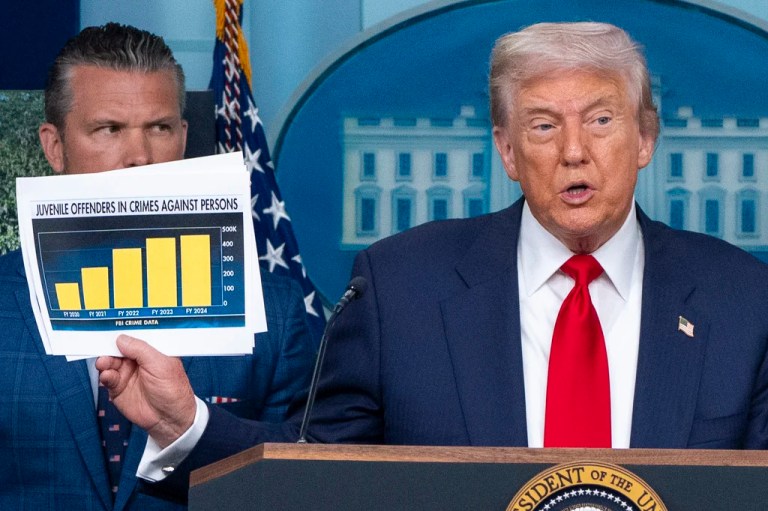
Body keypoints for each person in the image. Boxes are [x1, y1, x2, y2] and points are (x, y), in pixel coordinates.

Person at [97, 21, 768, 499]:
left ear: (645, 137)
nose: (573, 151)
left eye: (601, 120)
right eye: (542, 125)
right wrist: (184, 422)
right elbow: (313, 475)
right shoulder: (401, 287)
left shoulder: (743, 299)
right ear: (506, 151)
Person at [0, 23, 317, 510]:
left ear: (184, 136)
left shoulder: (273, 310)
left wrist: (190, 426)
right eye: (109, 129)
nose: (141, 158)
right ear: (54, 146)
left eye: (160, 128)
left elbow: (307, 483)